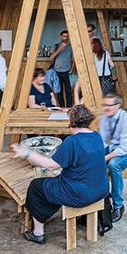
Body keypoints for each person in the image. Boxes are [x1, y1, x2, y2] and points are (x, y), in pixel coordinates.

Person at [13, 104, 108, 245]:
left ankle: (38, 233)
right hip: (101, 189)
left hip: (80, 194)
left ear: (71, 122)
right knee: (54, 182)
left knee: (36, 186)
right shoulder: (97, 136)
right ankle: (48, 213)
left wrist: (27, 153)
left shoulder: (72, 142)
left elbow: (51, 165)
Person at [99, 94, 127, 222]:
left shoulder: (126, 120)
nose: (106, 108)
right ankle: (103, 195)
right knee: (93, 159)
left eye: (109, 105)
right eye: (104, 105)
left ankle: (118, 205)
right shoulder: (105, 118)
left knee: (113, 164)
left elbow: (123, 148)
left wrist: (104, 158)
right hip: (113, 147)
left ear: (117, 106)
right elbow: (104, 141)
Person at [49, 30, 74, 107]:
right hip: (57, 72)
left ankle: (69, 107)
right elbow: (51, 58)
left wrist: (72, 69)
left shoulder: (71, 47)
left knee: (69, 91)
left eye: (67, 36)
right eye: (64, 36)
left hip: (67, 72)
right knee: (59, 91)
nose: (65, 38)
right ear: (61, 37)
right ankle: (61, 107)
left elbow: (73, 59)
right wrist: (60, 49)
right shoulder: (56, 46)